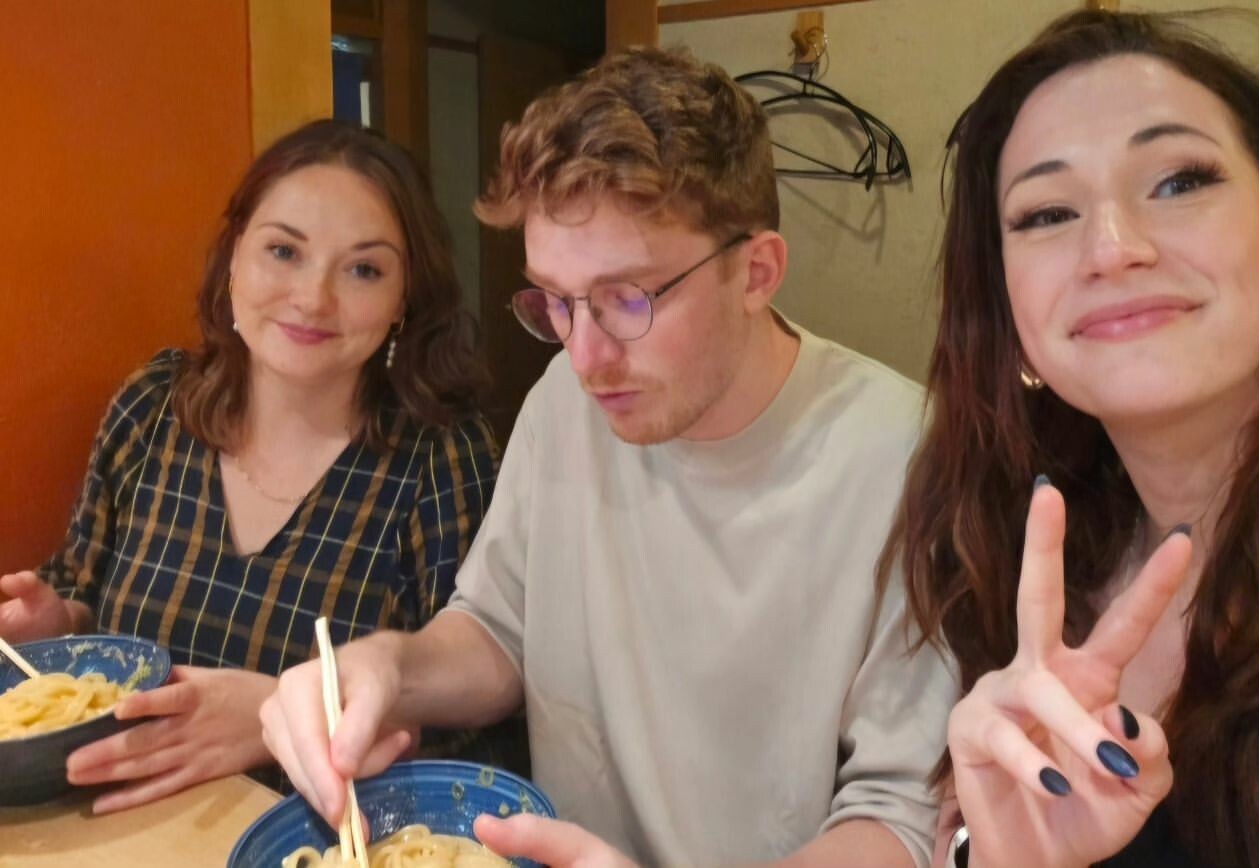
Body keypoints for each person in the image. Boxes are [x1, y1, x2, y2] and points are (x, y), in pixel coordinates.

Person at [261, 48, 957, 867]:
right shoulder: (566, 399)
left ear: (756, 272)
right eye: (556, 302)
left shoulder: (904, 455)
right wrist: (387, 668)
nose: (585, 355)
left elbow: (901, 817)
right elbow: (498, 631)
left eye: (628, 298)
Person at [884, 9, 1259, 868]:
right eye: (1047, 213)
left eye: (1180, 181)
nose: (1112, 249)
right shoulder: (1006, 571)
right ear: (1010, 316)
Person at [0, 119, 500, 812]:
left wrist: (275, 721)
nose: (313, 298)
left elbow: (471, 730)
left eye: (363, 269)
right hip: (110, 831)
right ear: (234, 255)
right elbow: (83, 588)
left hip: (312, 838)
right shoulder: (153, 408)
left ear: (404, 299)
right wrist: (52, 625)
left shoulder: (441, 460)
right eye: (283, 251)